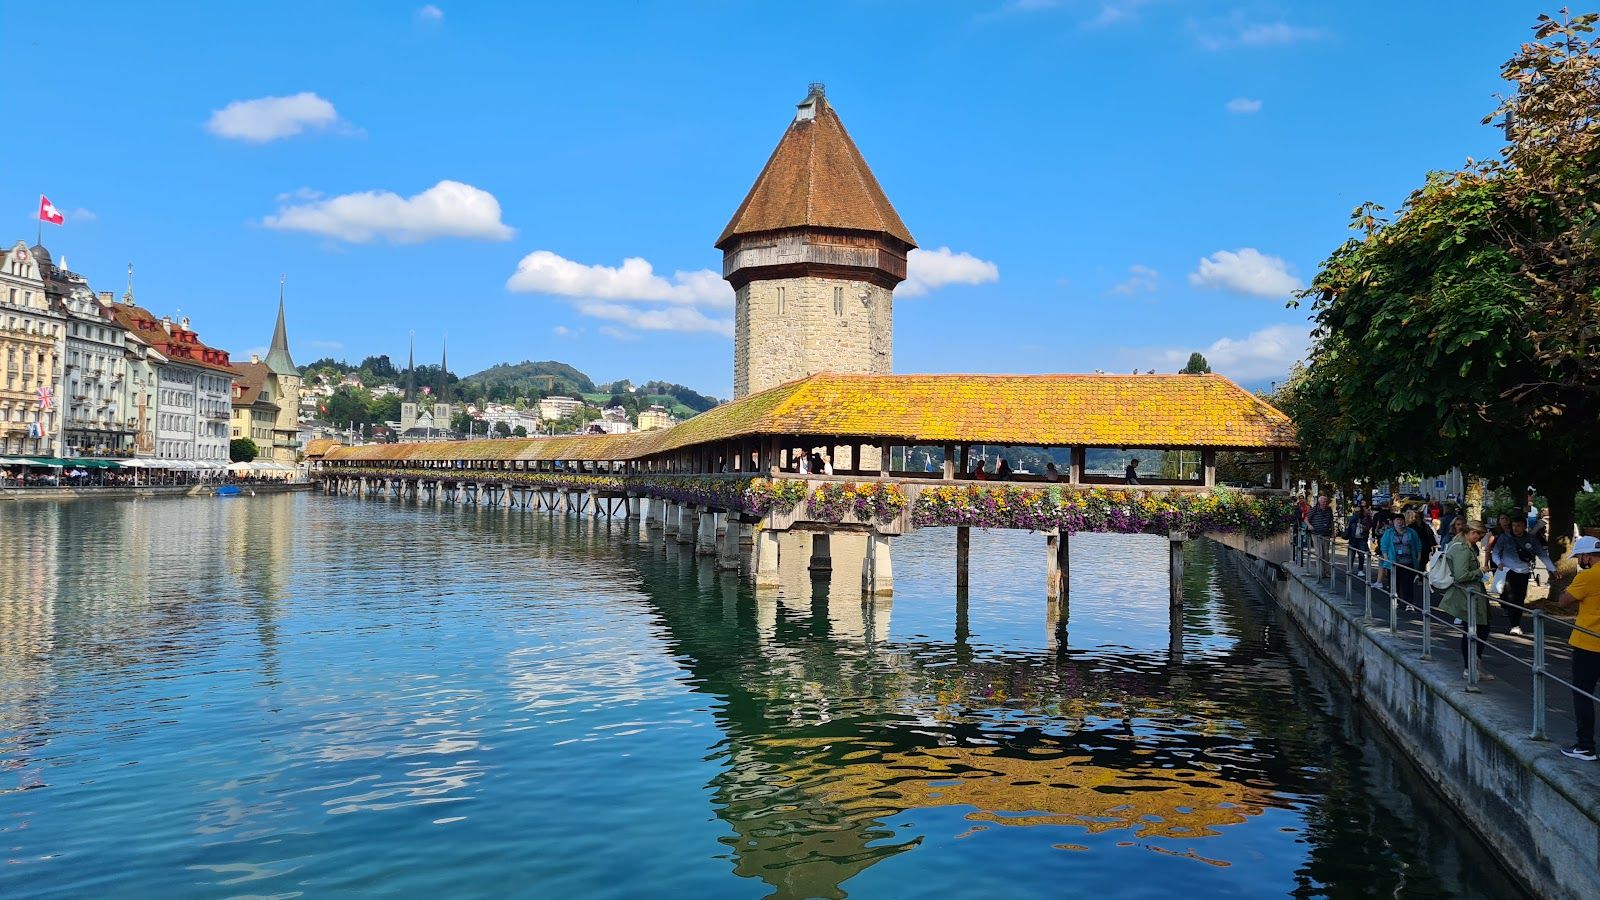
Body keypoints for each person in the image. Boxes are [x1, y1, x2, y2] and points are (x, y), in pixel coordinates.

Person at [1558, 535, 1600, 761]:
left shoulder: (1589, 576)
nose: (1579, 561)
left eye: (1580, 557)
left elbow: (1564, 601)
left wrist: (1567, 587)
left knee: (1583, 694)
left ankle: (1585, 746)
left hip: (1589, 643)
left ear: (1586, 556)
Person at [1439, 520, 1494, 681]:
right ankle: (1470, 667)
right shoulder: (1462, 549)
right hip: (1468, 593)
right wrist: (1480, 571)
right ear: (1470, 532)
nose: (1479, 538)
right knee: (1476, 629)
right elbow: (1461, 575)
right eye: (1477, 534)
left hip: (1470, 593)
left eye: (1481, 535)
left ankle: (1474, 666)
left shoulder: (1461, 545)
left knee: (1474, 629)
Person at [1491, 517, 1556, 635]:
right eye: (1514, 526)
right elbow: (1496, 552)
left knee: (1519, 599)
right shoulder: (1505, 537)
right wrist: (1499, 563)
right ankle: (1513, 622)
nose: (1515, 528)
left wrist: (1553, 570)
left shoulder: (1531, 539)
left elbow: (1542, 554)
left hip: (1524, 572)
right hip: (1508, 571)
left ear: (1524, 527)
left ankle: (1516, 624)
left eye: (1519, 526)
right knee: (1510, 597)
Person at [1380, 512, 1420, 608]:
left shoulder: (1411, 532)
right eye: (1397, 520)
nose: (1399, 522)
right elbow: (1384, 546)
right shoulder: (1389, 533)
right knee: (1394, 583)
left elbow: (1418, 545)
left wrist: (1418, 559)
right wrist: (1387, 560)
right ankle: (1395, 601)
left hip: (1408, 562)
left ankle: (1409, 603)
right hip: (1394, 562)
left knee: (1408, 583)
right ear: (1394, 522)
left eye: (1401, 520)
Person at [1344, 502, 1374, 582]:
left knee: (1361, 555)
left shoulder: (1367, 518)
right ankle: (1350, 568)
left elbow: (1369, 525)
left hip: (1362, 538)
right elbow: (1351, 523)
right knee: (1352, 555)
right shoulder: (1355, 517)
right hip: (1354, 538)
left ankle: (1359, 570)